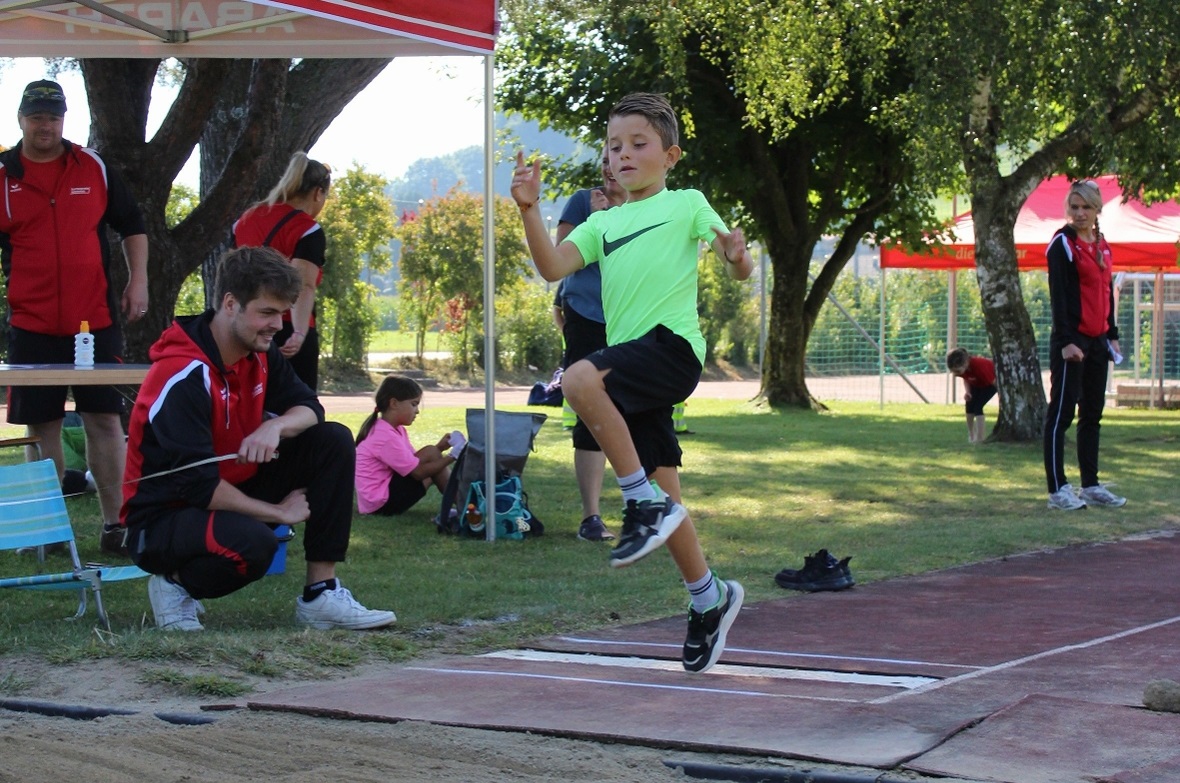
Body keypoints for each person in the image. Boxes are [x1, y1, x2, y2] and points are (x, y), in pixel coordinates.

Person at [511, 92, 754, 674]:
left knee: (576, 378)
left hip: (671, 350)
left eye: (638, 144)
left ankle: (637, 501)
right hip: (632, 371)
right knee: (668, 488)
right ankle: (709, 597)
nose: (623, 154)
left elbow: (733, 256)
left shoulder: (688, 203)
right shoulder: (602, 223)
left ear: (669, 156)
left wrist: (738, 256)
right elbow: (551, 267)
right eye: (614, 146)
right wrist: (527, 209)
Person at [118, 246, 395, 632]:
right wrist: (278, 514)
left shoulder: (259, 352)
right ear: (230, 304)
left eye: (281, 313)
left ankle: (321, 594)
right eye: (266, 312)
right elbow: (200, 487)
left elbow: (309, 408)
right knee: (255, 547)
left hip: (228, 489)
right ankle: (173, 585)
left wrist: (274, 426)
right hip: (162, 519)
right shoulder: (182, 374)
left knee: (332, 440)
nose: (278, 325)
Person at [0, 79, 149, 558]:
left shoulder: (93, 166)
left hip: (94, 322)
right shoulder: (3, 175)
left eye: (53, 116)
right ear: (21, 119)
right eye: (36, 116)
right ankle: (48, 531)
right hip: (30, 324)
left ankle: (116, 525)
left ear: (64, 119)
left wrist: (137, 281)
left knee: (104, 420)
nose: (45, 125)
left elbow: (133, 225)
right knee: (40, 425)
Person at [551, 145, 627, 542]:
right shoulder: (583, 201)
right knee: (588, 413)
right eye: (604, 161)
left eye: (616, 160)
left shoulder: (645, 206)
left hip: (632, 318)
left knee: (635, 410)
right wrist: (597, 220)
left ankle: (645, 508)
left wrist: (609, 221)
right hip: (587, 318)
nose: (610, 168)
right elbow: (563, 258)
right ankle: (591, 517)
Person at [1043, 179, 1125, 511]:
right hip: (1072, 343)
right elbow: (1059, 297)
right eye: (1074, 207)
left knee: (1091, 415)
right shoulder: (1062, 243)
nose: (1079, 213)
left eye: (1085, 207)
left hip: (1098, 341)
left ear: (1096, 210)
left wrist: (1112, 334)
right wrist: (1065, 342)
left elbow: (1106, 293)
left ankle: (1090, 485)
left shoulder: (1103, 245)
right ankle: (1057, 489)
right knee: (1061, 415)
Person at [233, 151, 331, 391]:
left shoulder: (245, 220)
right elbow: (303, 285)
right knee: (297, 407)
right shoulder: (306, 229)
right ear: (318, 193)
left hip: (243, 325)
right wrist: (298, 333)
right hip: (284, 326)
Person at [354, 374, 461, 517]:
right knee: (431, 454)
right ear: (394, 403)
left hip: (381, 498)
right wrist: (453, 455)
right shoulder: (384, 436)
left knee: (432, 454)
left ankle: (465, 504)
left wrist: (440, 447)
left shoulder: (394, 429)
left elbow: (413, 461)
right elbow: (418, 473)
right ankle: (466, 505)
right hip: (379, 504)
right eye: (414, 404)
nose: (417, 411)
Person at [946, 347, 996, 443]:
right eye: (953, 371)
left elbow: (994, 382)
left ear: (965, 363)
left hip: (990, 384)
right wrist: (968, 392)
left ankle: (980, 437)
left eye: (957, 371)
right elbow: (966, 378)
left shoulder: (979, 366)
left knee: (978, 407)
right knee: (969, 405)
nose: (955, 374)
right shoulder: (962, 370)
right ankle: (971, 434)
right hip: (977, 383)